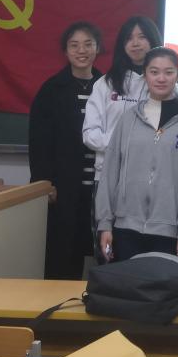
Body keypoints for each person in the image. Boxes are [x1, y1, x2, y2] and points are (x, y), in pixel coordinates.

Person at [95, 47, 178, 261]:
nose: (161, 78)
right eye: (154, 72)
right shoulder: (128, 118)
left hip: (171, 230)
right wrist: (105, 224)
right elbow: (110, 172)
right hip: (125, 227)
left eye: (169, 72)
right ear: (145, 76)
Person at [28, 21, 103, 279]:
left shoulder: (108, 87)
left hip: (101, 189)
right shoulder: (52, 89)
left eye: (88, 44)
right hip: (64, 189)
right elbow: (39, 142)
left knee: (104, 256)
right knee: (62, 258)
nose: (82, 50)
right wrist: (44, 183)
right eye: (74, 45)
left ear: (97, 48)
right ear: (66, 51)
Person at [82, 16, 163, 179]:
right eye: (129, 38)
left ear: (153, 40)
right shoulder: (105, 83)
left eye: (142, 37)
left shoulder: (166, 84)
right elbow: (90, 134)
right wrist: (125, 143)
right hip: (108, 174)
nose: (135, 43)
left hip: (150, 176)